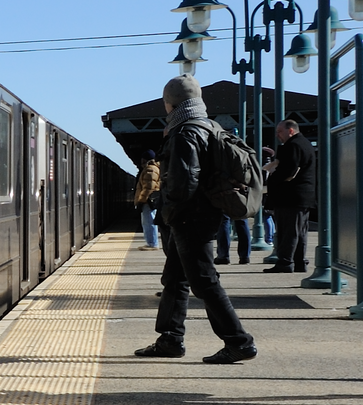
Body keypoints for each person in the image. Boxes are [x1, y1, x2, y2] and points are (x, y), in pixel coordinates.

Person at [135, 75, 258, 363]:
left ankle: (239, 341)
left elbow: (183, 183)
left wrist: (166, 211)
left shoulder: (184, 132)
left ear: (170, 103)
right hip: (200, 215)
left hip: (191, 218)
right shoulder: (209, 126)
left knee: (204, 281)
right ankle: (170, 338)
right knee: (175, 278)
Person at [262, 119, 315, 274]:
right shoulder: (305, 144)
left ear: (290, 130)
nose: (278, 135)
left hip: (290, 196)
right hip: (303, 196)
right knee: (300, 232)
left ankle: (285, 262)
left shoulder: (293, 146)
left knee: (288, 231)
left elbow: (289, 172)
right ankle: (299, 262)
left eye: (280, 132)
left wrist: (271, 177)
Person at [133, 150, 161, 249]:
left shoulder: (150, 169)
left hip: (148, 201)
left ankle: (152, 244)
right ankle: (151, 242)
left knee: (149, 221)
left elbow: (149, 187)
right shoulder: (152, 168)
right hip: (148, 200)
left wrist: (141, 200)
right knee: (148, 221)